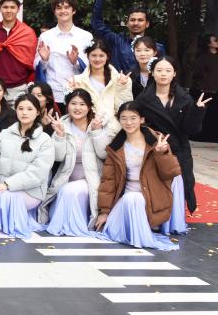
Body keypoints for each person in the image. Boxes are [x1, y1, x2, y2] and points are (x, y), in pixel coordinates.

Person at [94, 102, 180, 250]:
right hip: (126, 197)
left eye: (133, 118)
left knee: (134, 198)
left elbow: (171, 173)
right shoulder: (116, 146)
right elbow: (109, 181)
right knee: (126, 207)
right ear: (119, 120)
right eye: (124, 118)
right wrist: (104, 212)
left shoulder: (156, 141)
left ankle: (140, 236)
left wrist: (161, 154)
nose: (128, 122)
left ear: (142, 119)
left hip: (150, 197)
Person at [0, 93, 53, 237]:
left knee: (4, 198)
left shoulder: (45, 140)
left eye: (29, 109)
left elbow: (37, 174)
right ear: (16, 110)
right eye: (21, 108)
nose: (24, 112)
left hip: (31, 191)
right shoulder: (5, 134)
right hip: (2, 189)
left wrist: (8, 184)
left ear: (38, 112)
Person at [136, 56, 209, 218]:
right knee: (157, 185)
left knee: (183, 185)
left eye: (168, 70)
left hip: (180, 149)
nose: (163, 74)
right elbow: (138, 125)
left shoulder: (185, 98)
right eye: (159, 70)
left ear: (174, 73)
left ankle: (176, 216)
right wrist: (153, 140)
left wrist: (198, 110)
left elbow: (191, 129)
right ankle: (156, 215)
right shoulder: (143, 99)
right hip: (155, 149)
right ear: (152, 73)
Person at [39, 89, 110, 237]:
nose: (77, 108)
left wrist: (97, 132)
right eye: (73, 103)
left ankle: (74, 228)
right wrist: (59, 135)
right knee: (64, 191)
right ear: (67, 106)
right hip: (66, 177)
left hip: (91, 178)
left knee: (70, 191)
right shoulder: (61, 125)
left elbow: (104, 154)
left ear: (89, 107)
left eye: (82, 104)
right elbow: (57, 157)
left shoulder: (97, 124)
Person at [92, 0, 165, 72]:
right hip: (120, 81)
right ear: (127, 23)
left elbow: (162, 70)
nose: (136, 23)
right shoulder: (117, 42)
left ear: (147, 24)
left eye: (140, 20)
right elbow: (98, 25)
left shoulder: (157, 48)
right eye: (132, 20)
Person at [0, 0, 37, 103]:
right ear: (0, 9)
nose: (9, 10)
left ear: (18, 9)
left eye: (12, 7)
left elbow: (31, 62)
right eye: (5, 7)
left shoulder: (27, 32)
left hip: (19, 87)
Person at [35, 0, 93, 100]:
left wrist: (76, 62)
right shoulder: (45, 36)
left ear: (73, 10)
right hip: (52, 93)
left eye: (66, 7)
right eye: (59, 8)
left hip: (77, 93)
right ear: (54, 11)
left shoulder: (86, 36)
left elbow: (92, 66)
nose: (63, 11)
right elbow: (36, 66)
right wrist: (44, 60)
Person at [69, 39, 132, 135]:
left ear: (107, 56)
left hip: (114, 131)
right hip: (86, 130)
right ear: (88, 56)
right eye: (93, 55)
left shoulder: (121, 79)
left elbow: (125, 108)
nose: (97, 59)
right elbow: (73, 109)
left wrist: (121, 87)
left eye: (101, 55)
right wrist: (75, 91)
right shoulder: (77, 80)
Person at [191, 33, 218, 142]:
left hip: (216, 90)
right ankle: (202, 136)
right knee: (205, 115)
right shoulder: (202, 57)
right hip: (205, 90)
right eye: (215, 40)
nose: (217, 41)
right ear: (209, 44)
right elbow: (196, 74)